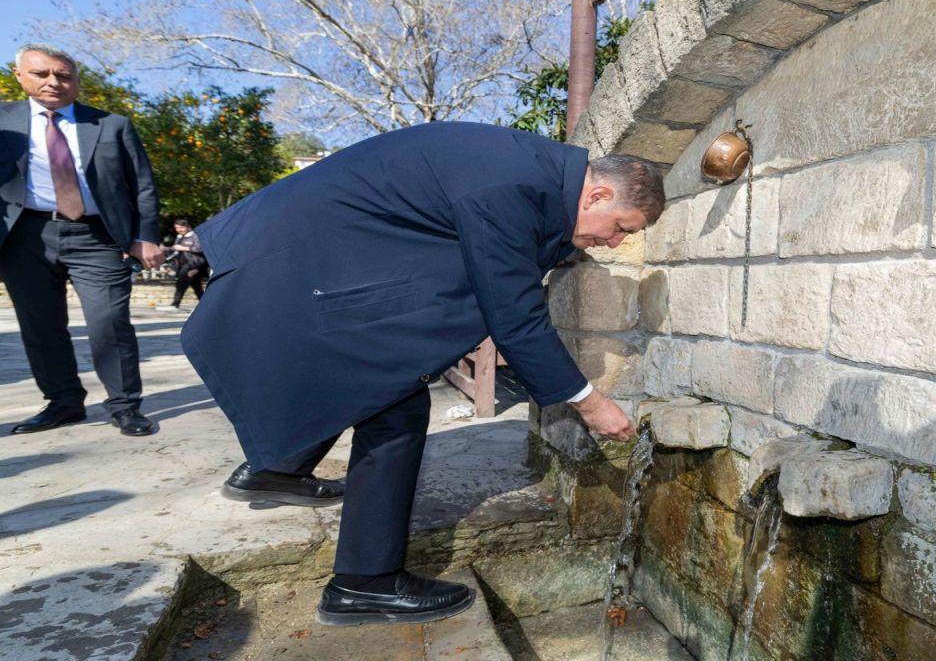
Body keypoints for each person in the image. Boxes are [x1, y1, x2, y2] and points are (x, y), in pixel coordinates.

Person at [180, 122, 663, 627]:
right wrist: (589, 401)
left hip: (318, 252)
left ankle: (276, 470)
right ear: (599, 192)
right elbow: (515, 313)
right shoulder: (511, 184)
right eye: (621, 228)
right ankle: (363, 583)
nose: (612, 243)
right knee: (396, 405)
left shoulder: (528, 170)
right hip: (301, 260)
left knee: (376, 375)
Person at [1, 44, 164, 436]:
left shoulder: (112, 124)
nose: (53, 82)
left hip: (97, 235)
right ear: (19, 75)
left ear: (76, 81)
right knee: (41, 325)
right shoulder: (2, 123)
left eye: (64, 75)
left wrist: (146, 237)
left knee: (109, 322)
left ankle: (125, 406)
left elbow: (141, 184)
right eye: (41, 74)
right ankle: (63, 403)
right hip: (26, 236)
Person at [168, 218, 207, 308]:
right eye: (176, 228)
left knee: (181, 284)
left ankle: (175, 304)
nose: (178, 230)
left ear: (187, 226)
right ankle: (206, 305)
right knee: (197, 287)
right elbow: (176, 251)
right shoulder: (179, 237)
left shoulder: (196, 236)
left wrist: (184, 248)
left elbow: (201, 248)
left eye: (180, 228)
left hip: (193, 265)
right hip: (183, 265)